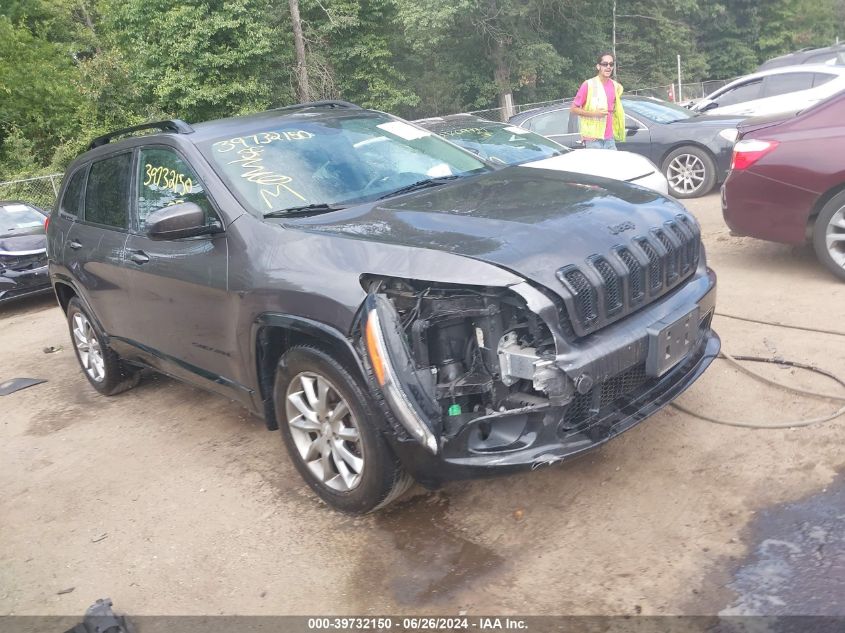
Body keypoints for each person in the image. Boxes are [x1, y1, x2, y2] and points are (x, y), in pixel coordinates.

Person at [570, 53, 626, 150]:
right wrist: (595, 114)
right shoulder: (588, 84)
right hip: (593, 140)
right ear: (598, 66)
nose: (608, 67)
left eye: (611, 64)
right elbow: (573, 109)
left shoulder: (615, 86)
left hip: (609, 139)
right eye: (605, 64)